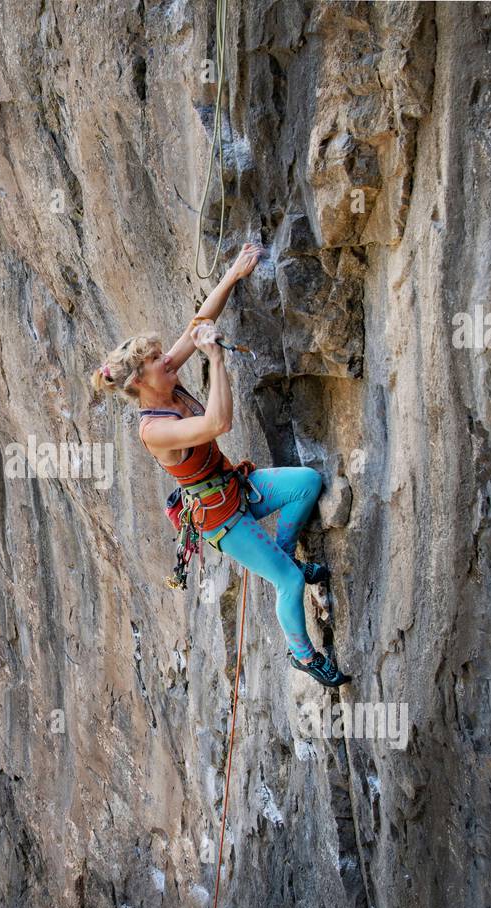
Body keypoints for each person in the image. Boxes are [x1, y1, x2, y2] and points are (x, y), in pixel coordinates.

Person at [90, 243, 349, 687]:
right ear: (140, 383)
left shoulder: (165, 380)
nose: (167, 360)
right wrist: (216, 360)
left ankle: (286, 558)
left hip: (235, 489)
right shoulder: (154, 429)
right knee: (287, 584)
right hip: (222, 520)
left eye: (160, 355)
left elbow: (197, 326)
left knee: (307, 483)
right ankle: (303, 657)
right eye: (156, 362)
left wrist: (231, 274)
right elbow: (219, 422)